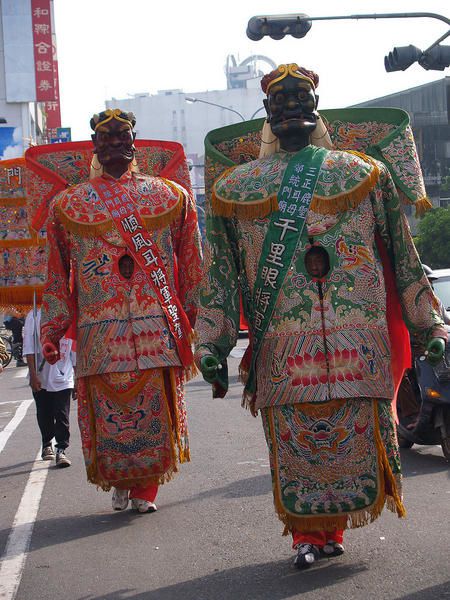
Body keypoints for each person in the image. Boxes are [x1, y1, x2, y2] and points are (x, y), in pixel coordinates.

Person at [195, 64, 447, 568]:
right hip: (285, 343)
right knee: (297, 445)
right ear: (266, 113)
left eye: (301, 97)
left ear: (316, 105)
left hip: (359, 340)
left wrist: (428, 323)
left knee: (354, 437)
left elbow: (402, 252)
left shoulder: (362, 173)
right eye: (280, 100)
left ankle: (334, 531)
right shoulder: (234, 190)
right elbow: (220, 275)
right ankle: (308, 535)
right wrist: (212, 343)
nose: (291, 106)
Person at [40, 109, 202, 513]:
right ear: (94, 145)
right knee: (110, 411)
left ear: (135, 140)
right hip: (100, 333)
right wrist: (52, 329)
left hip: (155, 328)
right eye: (105, 137)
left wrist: (199, 321)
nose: (114, 142)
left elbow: (194, 264)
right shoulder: (68, 206)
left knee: (153, 412)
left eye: (122, 135)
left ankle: (146, 488)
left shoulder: (169, 196)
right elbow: (57, 274)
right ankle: (120, 482)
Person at [23, 307, 75, 467]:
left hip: (64, 374)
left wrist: (78, 374)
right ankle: (47, 444)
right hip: (41, 374)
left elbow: (74, 345)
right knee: (44, 413)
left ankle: (61, 449)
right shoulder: (34, 314)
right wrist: (33, 374)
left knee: (62, 415)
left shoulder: (69, 313)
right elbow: (29, 347)